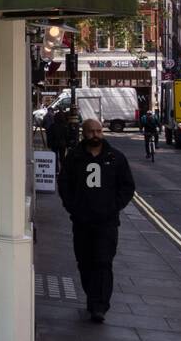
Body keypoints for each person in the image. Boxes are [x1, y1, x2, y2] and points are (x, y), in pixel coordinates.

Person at [57, 118, 136, 323]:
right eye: (91, 131)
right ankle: (92, 297)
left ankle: (99, 306)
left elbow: (127, 187)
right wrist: (73, 207)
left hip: (107, 223)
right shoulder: (74, 157)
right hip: (82, 221)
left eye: (99, 131)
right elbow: (64, 184)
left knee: (103, 262)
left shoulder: (116, 157)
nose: (96, 135)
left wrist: (113, 207)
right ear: (84, 133)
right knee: (84, 262)